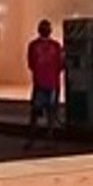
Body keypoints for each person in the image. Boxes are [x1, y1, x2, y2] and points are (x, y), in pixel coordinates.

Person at [25, 19, 64, 149]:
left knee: (35, 113)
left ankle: (31, 140)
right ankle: (49, 140)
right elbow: (61, 65)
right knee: (51, 113)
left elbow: (31, 64)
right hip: (53, 84)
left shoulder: (33, 45)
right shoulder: (56, 46)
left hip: (39, 83)